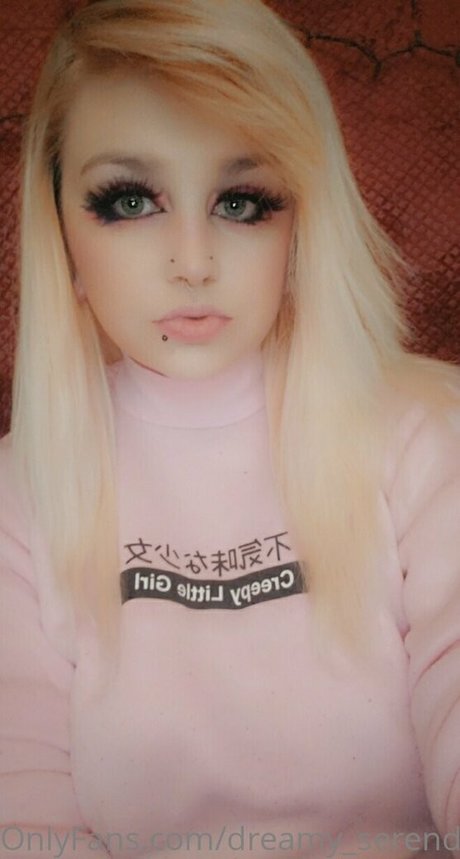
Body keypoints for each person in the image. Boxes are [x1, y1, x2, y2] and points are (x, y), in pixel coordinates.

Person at [1, 0, 459, 857]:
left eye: (242, 202)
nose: (193, 259)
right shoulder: (19, 493)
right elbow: (21, 807)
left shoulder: (429, 435)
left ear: (303, 218)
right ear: (61, 233)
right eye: (129, 199)